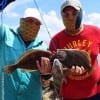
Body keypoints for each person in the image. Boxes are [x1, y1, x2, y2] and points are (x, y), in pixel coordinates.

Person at [49, 0, 100, 99]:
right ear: (61, 16)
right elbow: (53, 71)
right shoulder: (55, 40)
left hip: (96, 92)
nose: (70, 17)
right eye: (66, 14)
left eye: (74, 13)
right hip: (70, 95)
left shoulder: (95, 32)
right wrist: (68, 72)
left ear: (81, 12)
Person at [0, 16, 52, 100]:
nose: (33, 25)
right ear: (22, 21)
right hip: (6, 96)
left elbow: (46, 78)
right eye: (30, 21)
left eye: (37, 23)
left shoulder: (43, 46)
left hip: (32, 96)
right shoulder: (5, 33)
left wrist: (45, 74)